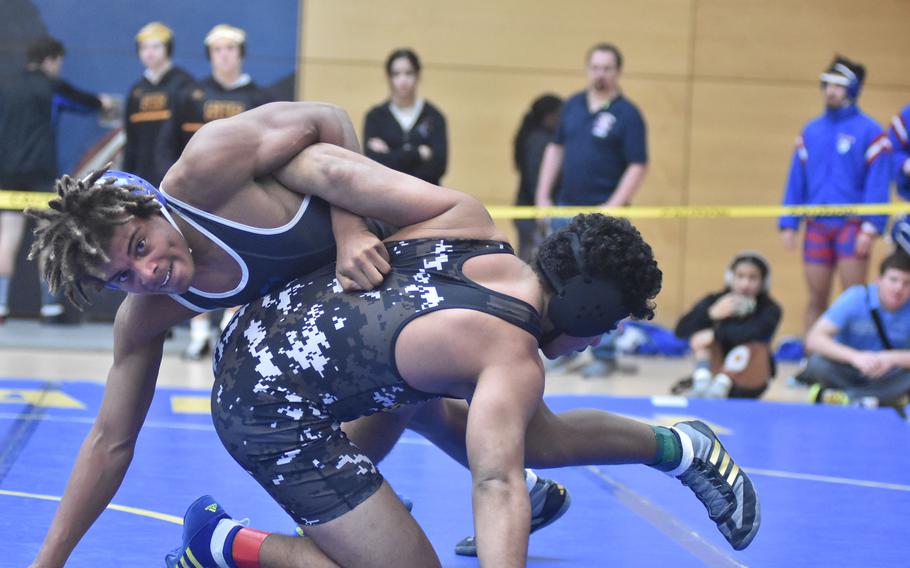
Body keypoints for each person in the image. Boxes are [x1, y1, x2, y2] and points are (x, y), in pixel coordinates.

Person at [28, 110, 759, 566]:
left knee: (478, 404)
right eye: (124, 276)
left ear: (146, 203)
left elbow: (326, 133)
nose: (150, 273)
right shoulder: (153, 311)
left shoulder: (211, 169)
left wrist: (350, 227)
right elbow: (109, 442)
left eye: (140, 245)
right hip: (298, 376)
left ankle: (671, 448)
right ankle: (235, 543)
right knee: (484, 424)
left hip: (368, 296)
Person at [156, 23, 273, 359]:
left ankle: (230, 331)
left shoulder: (259, 98)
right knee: (198, 261)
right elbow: (169, 145)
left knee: (240, 262)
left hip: (241, 199)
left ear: (242, 54)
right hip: (195, 201)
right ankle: (198, 333)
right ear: (210, 56)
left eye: (231, 49)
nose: (224, 56)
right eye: (218, 50)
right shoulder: (191, 96)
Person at [534, 42, 648, 376]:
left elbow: (638, 165)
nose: (601, 73)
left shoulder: (628, 115)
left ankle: (605, 355)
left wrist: (614, 205)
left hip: (605, 216)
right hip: (566, 209)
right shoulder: (572, 106)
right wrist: (542, 196)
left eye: (607, 68)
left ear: (618, 72)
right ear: (588, 70)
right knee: (559, 280)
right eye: (595, 67)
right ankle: (562, 347)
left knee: (607, 283)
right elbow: (554, 150)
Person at [0, 36, 111, 324]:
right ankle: (49, 308)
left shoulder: (8, 86)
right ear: (51, 60)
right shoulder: (50, 86)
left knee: (6, 237)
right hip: (40, 173)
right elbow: (82, 100)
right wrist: (102, 102)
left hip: (8, 173)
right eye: (59, 63)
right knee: (47, 234)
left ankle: (0, 305)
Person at [779, 55, 892, 336]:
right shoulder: (811, 130)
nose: (831, 90)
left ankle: (852, 363)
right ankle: (811, 364)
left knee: (853, 300)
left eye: (838, 86)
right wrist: (788, 222)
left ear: (852, 90)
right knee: (816, 299)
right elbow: (796, 178)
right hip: (817, 225)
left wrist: (871, 226)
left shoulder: (871, 131)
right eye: (827, 84)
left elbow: (878, 183)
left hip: (852, 226)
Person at [803, 250, 910, 410]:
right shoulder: (856, 297)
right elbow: (814, 339)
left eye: (906, 283)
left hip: (887, 372)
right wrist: (856, 357)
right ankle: (875, 399)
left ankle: (845, 397)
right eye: (893, 280)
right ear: (879, 280)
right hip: (848, 367)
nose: (898, 288)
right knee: (817, 364)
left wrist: (889, 358)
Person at [675, 252, 782, 398]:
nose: (745, 284)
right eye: (740, 276)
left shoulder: (770, 309)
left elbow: (750, 334)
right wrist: (710, 314)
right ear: (731, 277)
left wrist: (715, 334)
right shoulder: (714, 301)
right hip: (713, 373)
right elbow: (681, 330)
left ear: (763, 281)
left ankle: (723, 382)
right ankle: (702, 380)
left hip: (749, 379)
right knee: (699, 337)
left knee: (752, 346)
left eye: (752, 278)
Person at [122, 22, 195, 188]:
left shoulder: (184, 84)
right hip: (141, 176)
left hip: (174, 176)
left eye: (156, 46)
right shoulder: (137, 90)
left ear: (168, 49)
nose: (149, 52)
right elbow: (130, 140)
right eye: (144, 47)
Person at [363, 48, 448, 185]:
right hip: (385, 196)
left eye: (409, 73)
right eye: (396, 74)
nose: (402, 80)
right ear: (388, 77)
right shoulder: (375, 117)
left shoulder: (434, 116)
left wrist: (390, 155)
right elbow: (372, 164)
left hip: (427, 196)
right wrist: (417, 153)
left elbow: (438, 166)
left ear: (418, 75)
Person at [512, 94, 562, 262]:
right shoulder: (541, 141)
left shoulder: (532, 136)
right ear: (550, 116)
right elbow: (535, 179)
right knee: (531, 261)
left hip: (527, 208)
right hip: (532, 212)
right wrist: (542, 202)